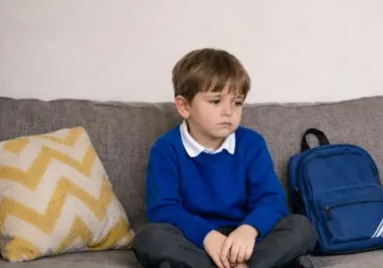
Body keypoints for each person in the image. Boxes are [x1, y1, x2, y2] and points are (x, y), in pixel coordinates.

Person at [132, 48, 317, 268]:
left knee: (301, 227)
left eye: (236, 103)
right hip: (196, 240)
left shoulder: (251, 143)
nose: (228, 111)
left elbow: (272, 200)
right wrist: (207, 236)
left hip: (246, 239)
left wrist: (249, 229)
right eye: (215, 101)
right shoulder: (166, 148)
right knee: (149, 238)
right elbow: (163, 209)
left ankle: (245, 265)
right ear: (184, 106)